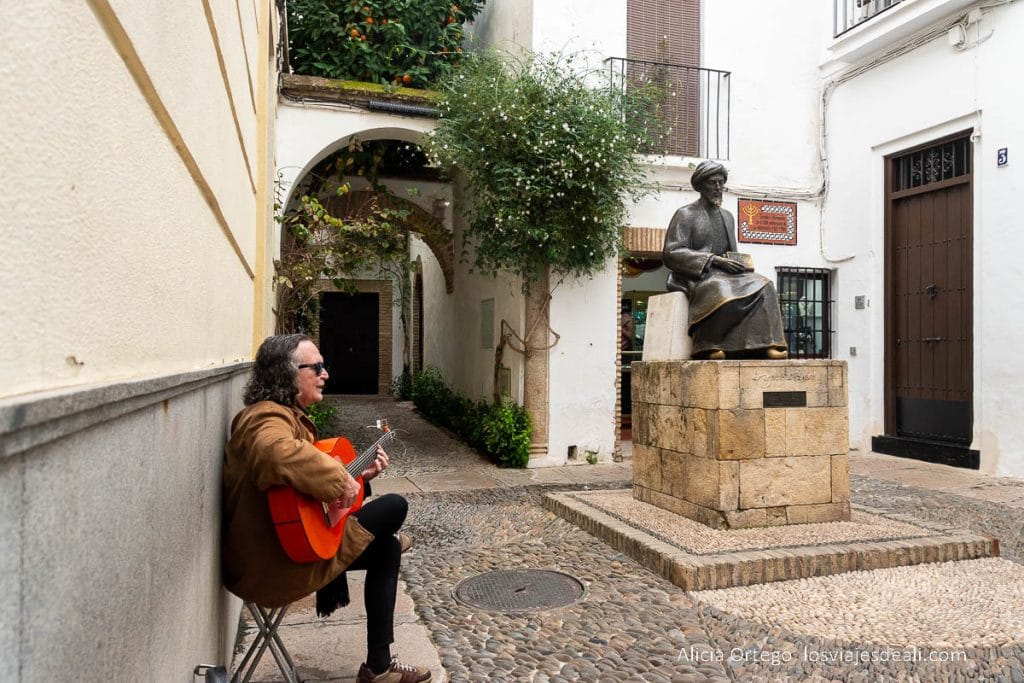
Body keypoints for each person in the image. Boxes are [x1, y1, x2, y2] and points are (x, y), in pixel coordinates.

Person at [222, 334, 430, 683]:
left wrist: (358, 476)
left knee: (386, 548)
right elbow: (275, 453)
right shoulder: (264, 419)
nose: (326, 374)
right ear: (285, 375)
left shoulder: (285, 416)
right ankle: (379, 665)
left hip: (287, 548)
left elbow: (299, 493)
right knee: (394, 506)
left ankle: (378, 668)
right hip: (271, 566)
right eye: (316, 367)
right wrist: (339, 480)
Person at [662, 160, 788, 360]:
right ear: (701, 185)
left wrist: (739, 264)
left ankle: (765, 343)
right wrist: (713, 260)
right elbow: (671, 252)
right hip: (699, 275)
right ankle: (707, 344)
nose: (718, 188)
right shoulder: (685, 214)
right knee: (720, 289)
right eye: (713, 183)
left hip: (727, 273)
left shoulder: (727, 216)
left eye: (721, 182)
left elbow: (731, 252)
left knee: (765, 285)